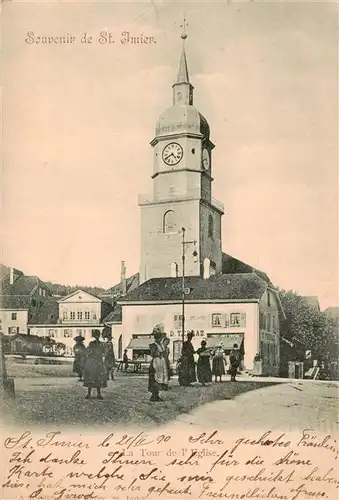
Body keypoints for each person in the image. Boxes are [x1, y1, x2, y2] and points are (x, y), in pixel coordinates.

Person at [83, 330, 107, 400]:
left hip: (97, 362)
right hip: (93, 361)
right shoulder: (92, 343)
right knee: (91, 377)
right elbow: (87, 351)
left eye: (97, 335)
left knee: (98, 378)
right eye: (96, 335)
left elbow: (103, 352)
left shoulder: (100, 344)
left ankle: (98, 394)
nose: (97, 336)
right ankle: (89, 394)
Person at [148, 326, 169, 402]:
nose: (160, 340)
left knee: (160, 378)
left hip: (161, 363)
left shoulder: (161, 345)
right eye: (160, 338)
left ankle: (156, 395)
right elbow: (152, 354)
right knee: (155, 379)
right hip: (156, 363)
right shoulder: (153, 345)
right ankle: (154, 396)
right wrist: (159, 354)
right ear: (157, 338)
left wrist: (164, 354)